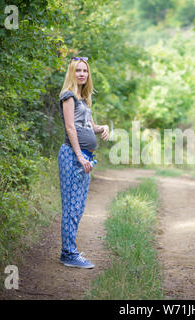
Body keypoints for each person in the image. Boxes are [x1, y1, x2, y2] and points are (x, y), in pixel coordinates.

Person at [57, 56, 109, 268]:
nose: (82, 74)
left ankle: (69, 250)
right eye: (78, 70)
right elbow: (70, 128)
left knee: (78, 207)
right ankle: (68, 253)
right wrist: (79, 156)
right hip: (72, 156)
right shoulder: (68, 96)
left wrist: (102, 127)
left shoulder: (84, 98)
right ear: (72, 73)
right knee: (71, 206)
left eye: (85, 71)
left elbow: (89, 126)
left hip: (86, 157)